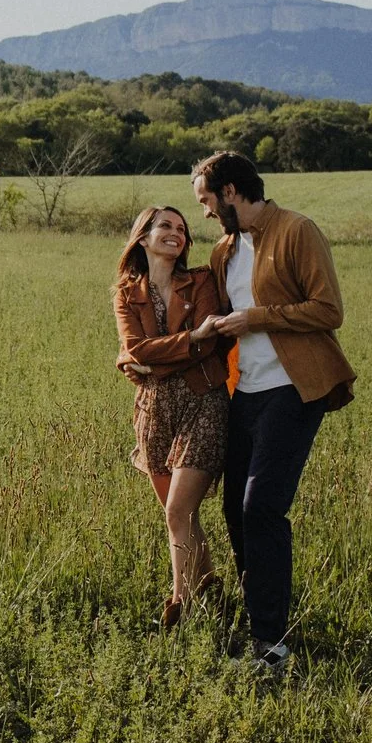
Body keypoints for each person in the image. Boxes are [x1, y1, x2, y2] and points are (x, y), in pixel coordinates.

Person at [188, 152, 356, 673]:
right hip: (246, 390)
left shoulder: (297, 231)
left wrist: (256, 318)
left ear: (231, 191)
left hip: (294, 388)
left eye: (207, 200)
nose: (206, 212)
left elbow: (329, 310)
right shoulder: (224, 250)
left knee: (261, 507)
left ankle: (272, 645)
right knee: (234, 510)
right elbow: (218, 317)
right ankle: (262, 622)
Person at [112, 205, 231, 628]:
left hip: (203, 403)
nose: (176, 233)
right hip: (154, 412)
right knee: (182, 516)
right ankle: (211, 591)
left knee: (178, 511)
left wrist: (150, 360)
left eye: (181, 229)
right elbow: (136, 348)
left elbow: (207, 343)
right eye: (165, 226)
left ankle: (179, 606)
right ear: (143, 236)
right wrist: (179, 343)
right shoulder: (126, 293)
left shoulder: (200, 281)